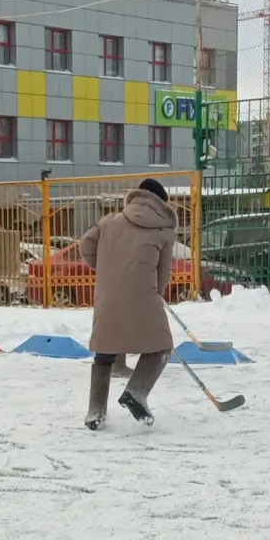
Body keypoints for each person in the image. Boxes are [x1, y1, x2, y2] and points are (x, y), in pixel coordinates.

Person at [83, 178, 178, 429]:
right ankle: (135, 392)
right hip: (144, 294)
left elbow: (85, 246)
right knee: (161, 346)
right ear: (161, 202)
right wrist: (155, 292)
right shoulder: (165, 230)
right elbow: (163, 275)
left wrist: (108, 270)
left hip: (108, 294)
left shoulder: (108, 222)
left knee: (104, 352)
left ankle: (95, 413)